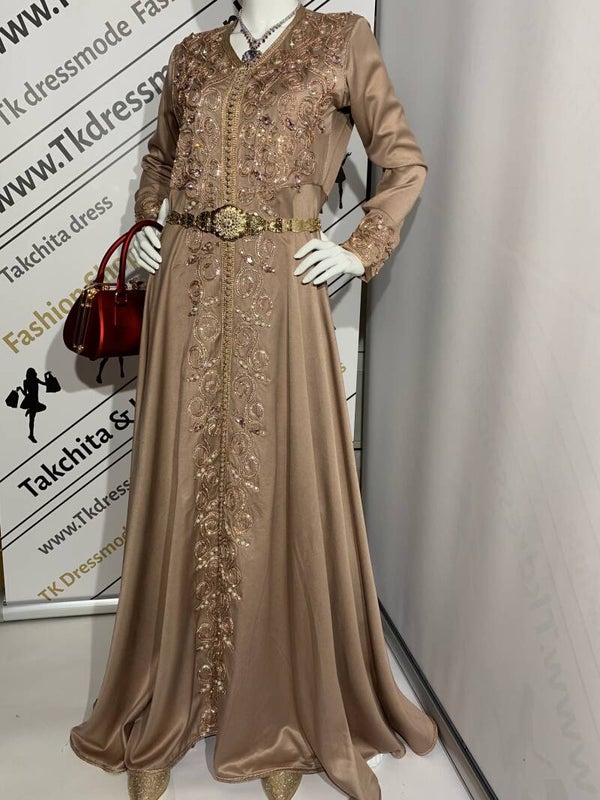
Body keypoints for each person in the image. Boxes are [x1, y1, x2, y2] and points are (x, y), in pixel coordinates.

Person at [69, 3, 437, 799]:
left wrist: (359, 248)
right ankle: (165, 702)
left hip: (281, 286)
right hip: (187, 283)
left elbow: (404, 162)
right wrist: (149, 220)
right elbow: (161, 159)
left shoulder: (340, 40)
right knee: (180, 481)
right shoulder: (193, 54)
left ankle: (280, 716)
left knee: (279, 485)